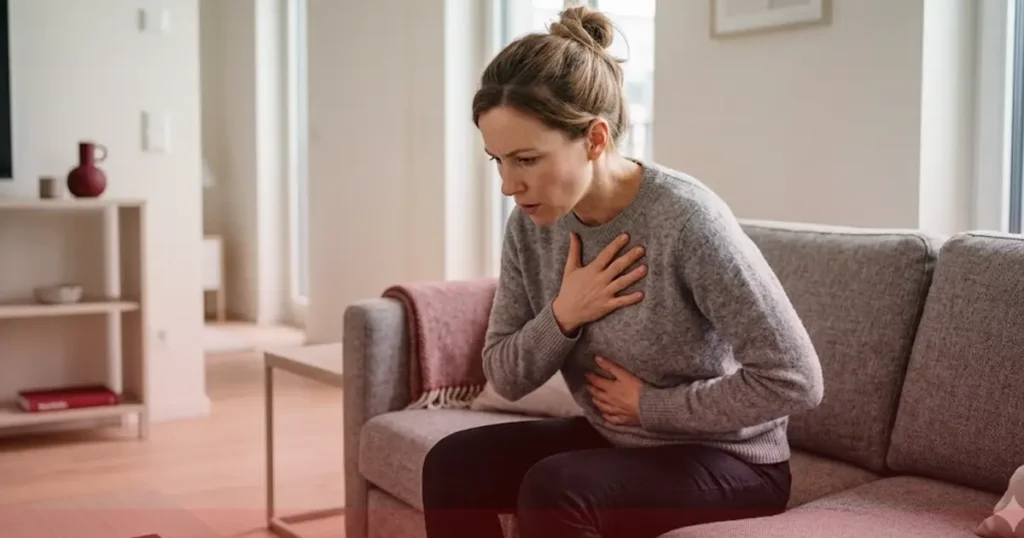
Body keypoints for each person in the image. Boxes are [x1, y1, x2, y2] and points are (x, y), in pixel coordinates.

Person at [421, 5, 824, 538]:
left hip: (732, 462)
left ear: (594, 138)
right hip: (619, 441)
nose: (508, 186)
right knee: (453, 463)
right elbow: (505, 375)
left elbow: (797, 379)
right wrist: (565, 314)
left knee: (556, 487)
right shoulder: (531, 224)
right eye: (498, 161)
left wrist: (651, 406)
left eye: (527, 160)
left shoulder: (686, 221)